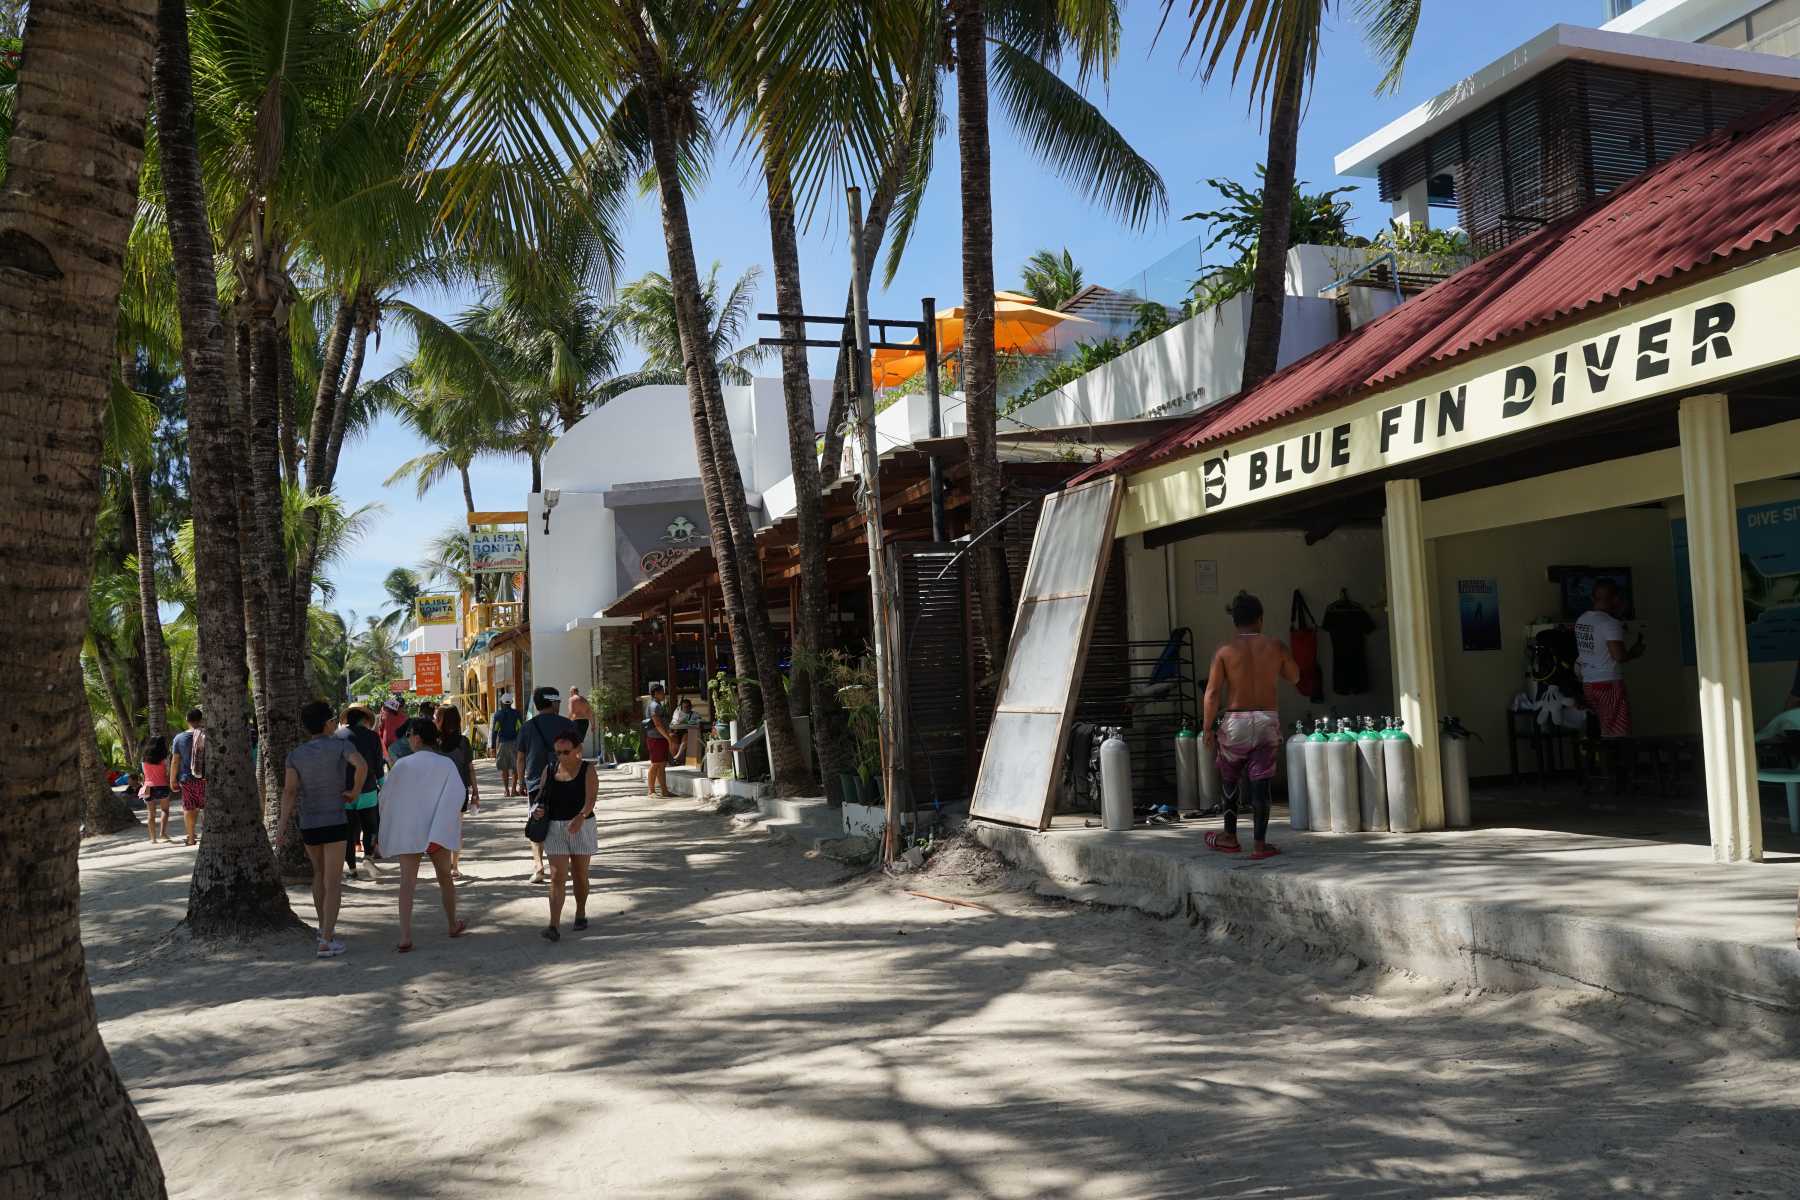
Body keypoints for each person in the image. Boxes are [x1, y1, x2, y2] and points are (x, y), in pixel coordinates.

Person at [1202, 592, 1301, 861]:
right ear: (1260, 619)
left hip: (1236, 721)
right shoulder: (1275, 646)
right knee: (1261, 782)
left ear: (1235, 621)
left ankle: (1229, 837)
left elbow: (1212, 693)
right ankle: (1260, 844)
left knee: (1230, 777)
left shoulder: (1224, 651)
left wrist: (1207, 728)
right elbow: (1294, 676)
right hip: (1267, 720)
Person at [277, 700, 367, 958]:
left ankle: (323, 928)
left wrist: (281, 826)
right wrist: (354, 792)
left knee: (318, 874)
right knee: (333, 881)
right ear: (328, 723)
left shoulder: (295, 755)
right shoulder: (341, 746)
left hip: (309, 822)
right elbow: (361, 765)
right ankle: (327, 940)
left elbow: (290, 791)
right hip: (335, 819)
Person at [377, 718, 469, 952]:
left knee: (407, 883)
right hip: (436, 829)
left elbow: (386, 797)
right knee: (445, 878)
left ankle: (405, 936)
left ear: (417, 737)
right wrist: (441, 826)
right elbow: (457, 795)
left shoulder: (402, 765)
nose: (408, 739)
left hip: (409, 829)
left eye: (409, 735)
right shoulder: (445, 764)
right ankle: (452, 924)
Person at [531, 729, 598, 941]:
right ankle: (554, 925)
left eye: (566, 752)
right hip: (555, 828)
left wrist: (581, 816)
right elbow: (541, 797)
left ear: (578, 749)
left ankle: (581, 912)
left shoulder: (587, 769)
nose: (561, 756)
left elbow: (591, 799)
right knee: (557, 876)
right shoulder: (550, 769)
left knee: (580, 874)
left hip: (582, 826)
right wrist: (538, 810)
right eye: (558, 752)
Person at [518, 687, 577, 884]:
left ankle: (539, 867)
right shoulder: (567, 725)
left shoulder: (528, 726)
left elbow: (520, 757)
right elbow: (577, 754)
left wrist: (520, 782)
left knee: (537, 824)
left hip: (536, 784)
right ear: (553, 703)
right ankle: (563, 867)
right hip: (565, 781)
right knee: (563, 824)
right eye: (558, 702)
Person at [1575, 579, 1643, 739]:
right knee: (1616, 735)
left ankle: (1598, 755)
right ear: (1616, 599)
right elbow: (1618, 656)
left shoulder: (1581, 620)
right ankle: (1613, 756)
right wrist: (1634, 652)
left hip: (1588, 684)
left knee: (1598, 731)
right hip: (1608, 684)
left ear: (1593, 598)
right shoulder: (1610, 623)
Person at [340, 706, 386, 880]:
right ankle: (368, 857)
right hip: (368, 790)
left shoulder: (338, 736)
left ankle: (352, 869)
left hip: (345, 792)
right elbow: (378, 763)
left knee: (348, 832)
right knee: (370, 827)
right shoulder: (373, 736)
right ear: (365, 720)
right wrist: (382, 784)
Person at [435, 705, 480, 878]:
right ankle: (454, 866)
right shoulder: (463, 742)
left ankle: (445, 865)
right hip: (459, 791)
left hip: (438, 791)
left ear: (442, 720)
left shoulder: (435, 742)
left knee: (442, 829)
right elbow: (470, 768)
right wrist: (475, 792)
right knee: (456, 828)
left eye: (437, 718)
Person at [170, 708, 207, 846]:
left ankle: (191, 838)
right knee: (206, 807)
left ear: (187, 720)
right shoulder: (207, 735)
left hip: (187, 778)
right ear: (201, 719)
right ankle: (207, 836)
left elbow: (175, 760)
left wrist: (172, 780)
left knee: (188, 807)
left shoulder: (179, 738)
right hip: (206, 778)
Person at [140, 735, 173, 844]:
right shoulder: (164, 759)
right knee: (165, 810)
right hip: (162, 786)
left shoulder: (144, 759)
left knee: (151, 813)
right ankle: (162, 833)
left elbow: (144, 774)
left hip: (148, 787)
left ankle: (153, 838)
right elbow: (167, 773)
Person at [643, 683, 674, 799]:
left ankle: (664, 790)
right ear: (656, 693)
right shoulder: (654, 706)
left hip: (661, 738)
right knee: (655, 764)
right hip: (655, 738)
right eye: (662, 692)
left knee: (662, 765)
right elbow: (657, 724)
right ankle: (651, 791)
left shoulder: (658, 705)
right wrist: (667, 737)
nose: (664, 694)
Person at [492, 694, 523, 797]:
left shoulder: (498, 715)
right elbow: (520, 729)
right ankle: (514, 789)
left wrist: (493, 746)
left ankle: (506, 790)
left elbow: (495, 731)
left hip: (503, 743)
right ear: (511, 702)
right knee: (515, 767)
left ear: (502, 702)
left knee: (504, 768)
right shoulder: (517, 714)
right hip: (515, 742)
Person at [568, 686, 594, 755]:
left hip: (576, 721)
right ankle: (579, 757)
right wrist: (593, 725)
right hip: (585, 722)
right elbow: (590, 713)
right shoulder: (584, 700)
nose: (570, 694)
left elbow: (571, 712)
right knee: (579, 741)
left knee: (574, 741)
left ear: (572, 692)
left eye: (570, 692)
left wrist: (568, 722)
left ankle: (576, 758)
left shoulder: (572, 699)